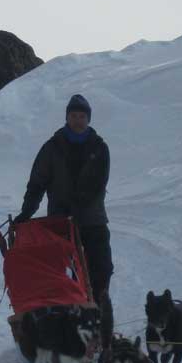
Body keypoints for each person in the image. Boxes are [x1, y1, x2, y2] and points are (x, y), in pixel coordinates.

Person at [14, 94, 113, 303]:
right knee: (64, 272)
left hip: (92, 220)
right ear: (67, 118)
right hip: (60, 223)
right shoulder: (52, 148)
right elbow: (37, 183)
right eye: (74, 115)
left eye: (82, 116)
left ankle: (98, 311)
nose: (78, 120)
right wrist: (26, 212)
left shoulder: (99, 148)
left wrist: (77, 207)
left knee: (102, 268)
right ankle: (71, 313)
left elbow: (98, 184)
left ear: (88, 120)